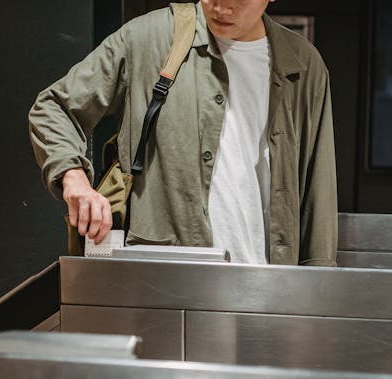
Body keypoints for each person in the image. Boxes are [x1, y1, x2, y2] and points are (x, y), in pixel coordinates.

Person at [29, 0, 338, 265]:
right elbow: (54, 106)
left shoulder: (303, 65)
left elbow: (317, 189)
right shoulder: (149, 39)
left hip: (266, 286)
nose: (221, 7)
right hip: (167, 283)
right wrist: (74, 179)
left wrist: (316, 291)